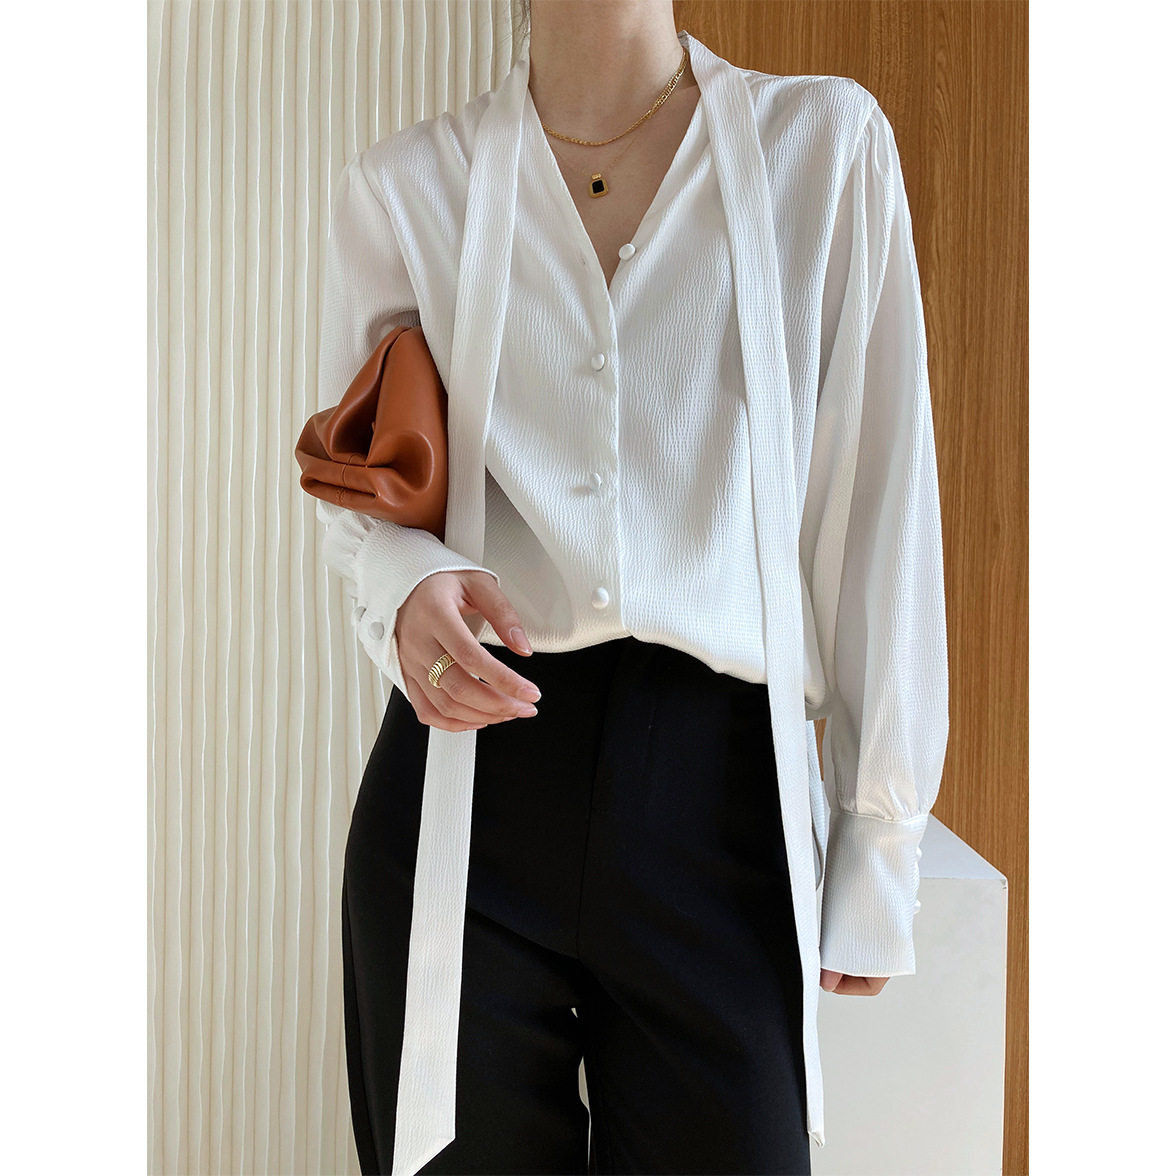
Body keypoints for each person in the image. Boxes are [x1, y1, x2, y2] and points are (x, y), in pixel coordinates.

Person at [314, 1, 950, 1173]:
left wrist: (879, 831)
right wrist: (405, 589)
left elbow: (880, 505)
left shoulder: (824, 147)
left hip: (723, 806)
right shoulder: (403, 191)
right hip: (464, 795)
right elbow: (362, 499)